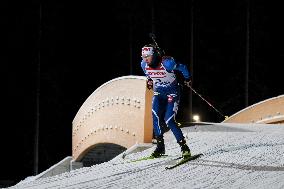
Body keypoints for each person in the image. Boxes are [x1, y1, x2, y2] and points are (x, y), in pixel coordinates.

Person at [140, 43, 192, 158]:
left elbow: (182, 67)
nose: (145, 59)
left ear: (154, 54)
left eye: (147, 56)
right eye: (143, 57)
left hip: (172, 92)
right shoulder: (144, 64)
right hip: (159, 93)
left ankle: (184, 148)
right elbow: (148, 74)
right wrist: (149, 80)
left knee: (169, 120)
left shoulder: (167, 63)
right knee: (155, 116)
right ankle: (160, 148)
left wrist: (187, 78)